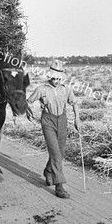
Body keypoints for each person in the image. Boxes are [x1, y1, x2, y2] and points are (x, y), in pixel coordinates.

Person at [26, 59, 81, 198]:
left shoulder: (65, 89)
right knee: (55, 154)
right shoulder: (41, 89)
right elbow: (28, 101)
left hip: (62, 120)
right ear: (49, 76)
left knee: (60, 153)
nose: (56, 81)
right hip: (48, 121)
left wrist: (77, 118)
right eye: (54, 78)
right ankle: (59, 186)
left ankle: (48, 171)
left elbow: (74, 103)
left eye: (59, 78)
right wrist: (28, 110)